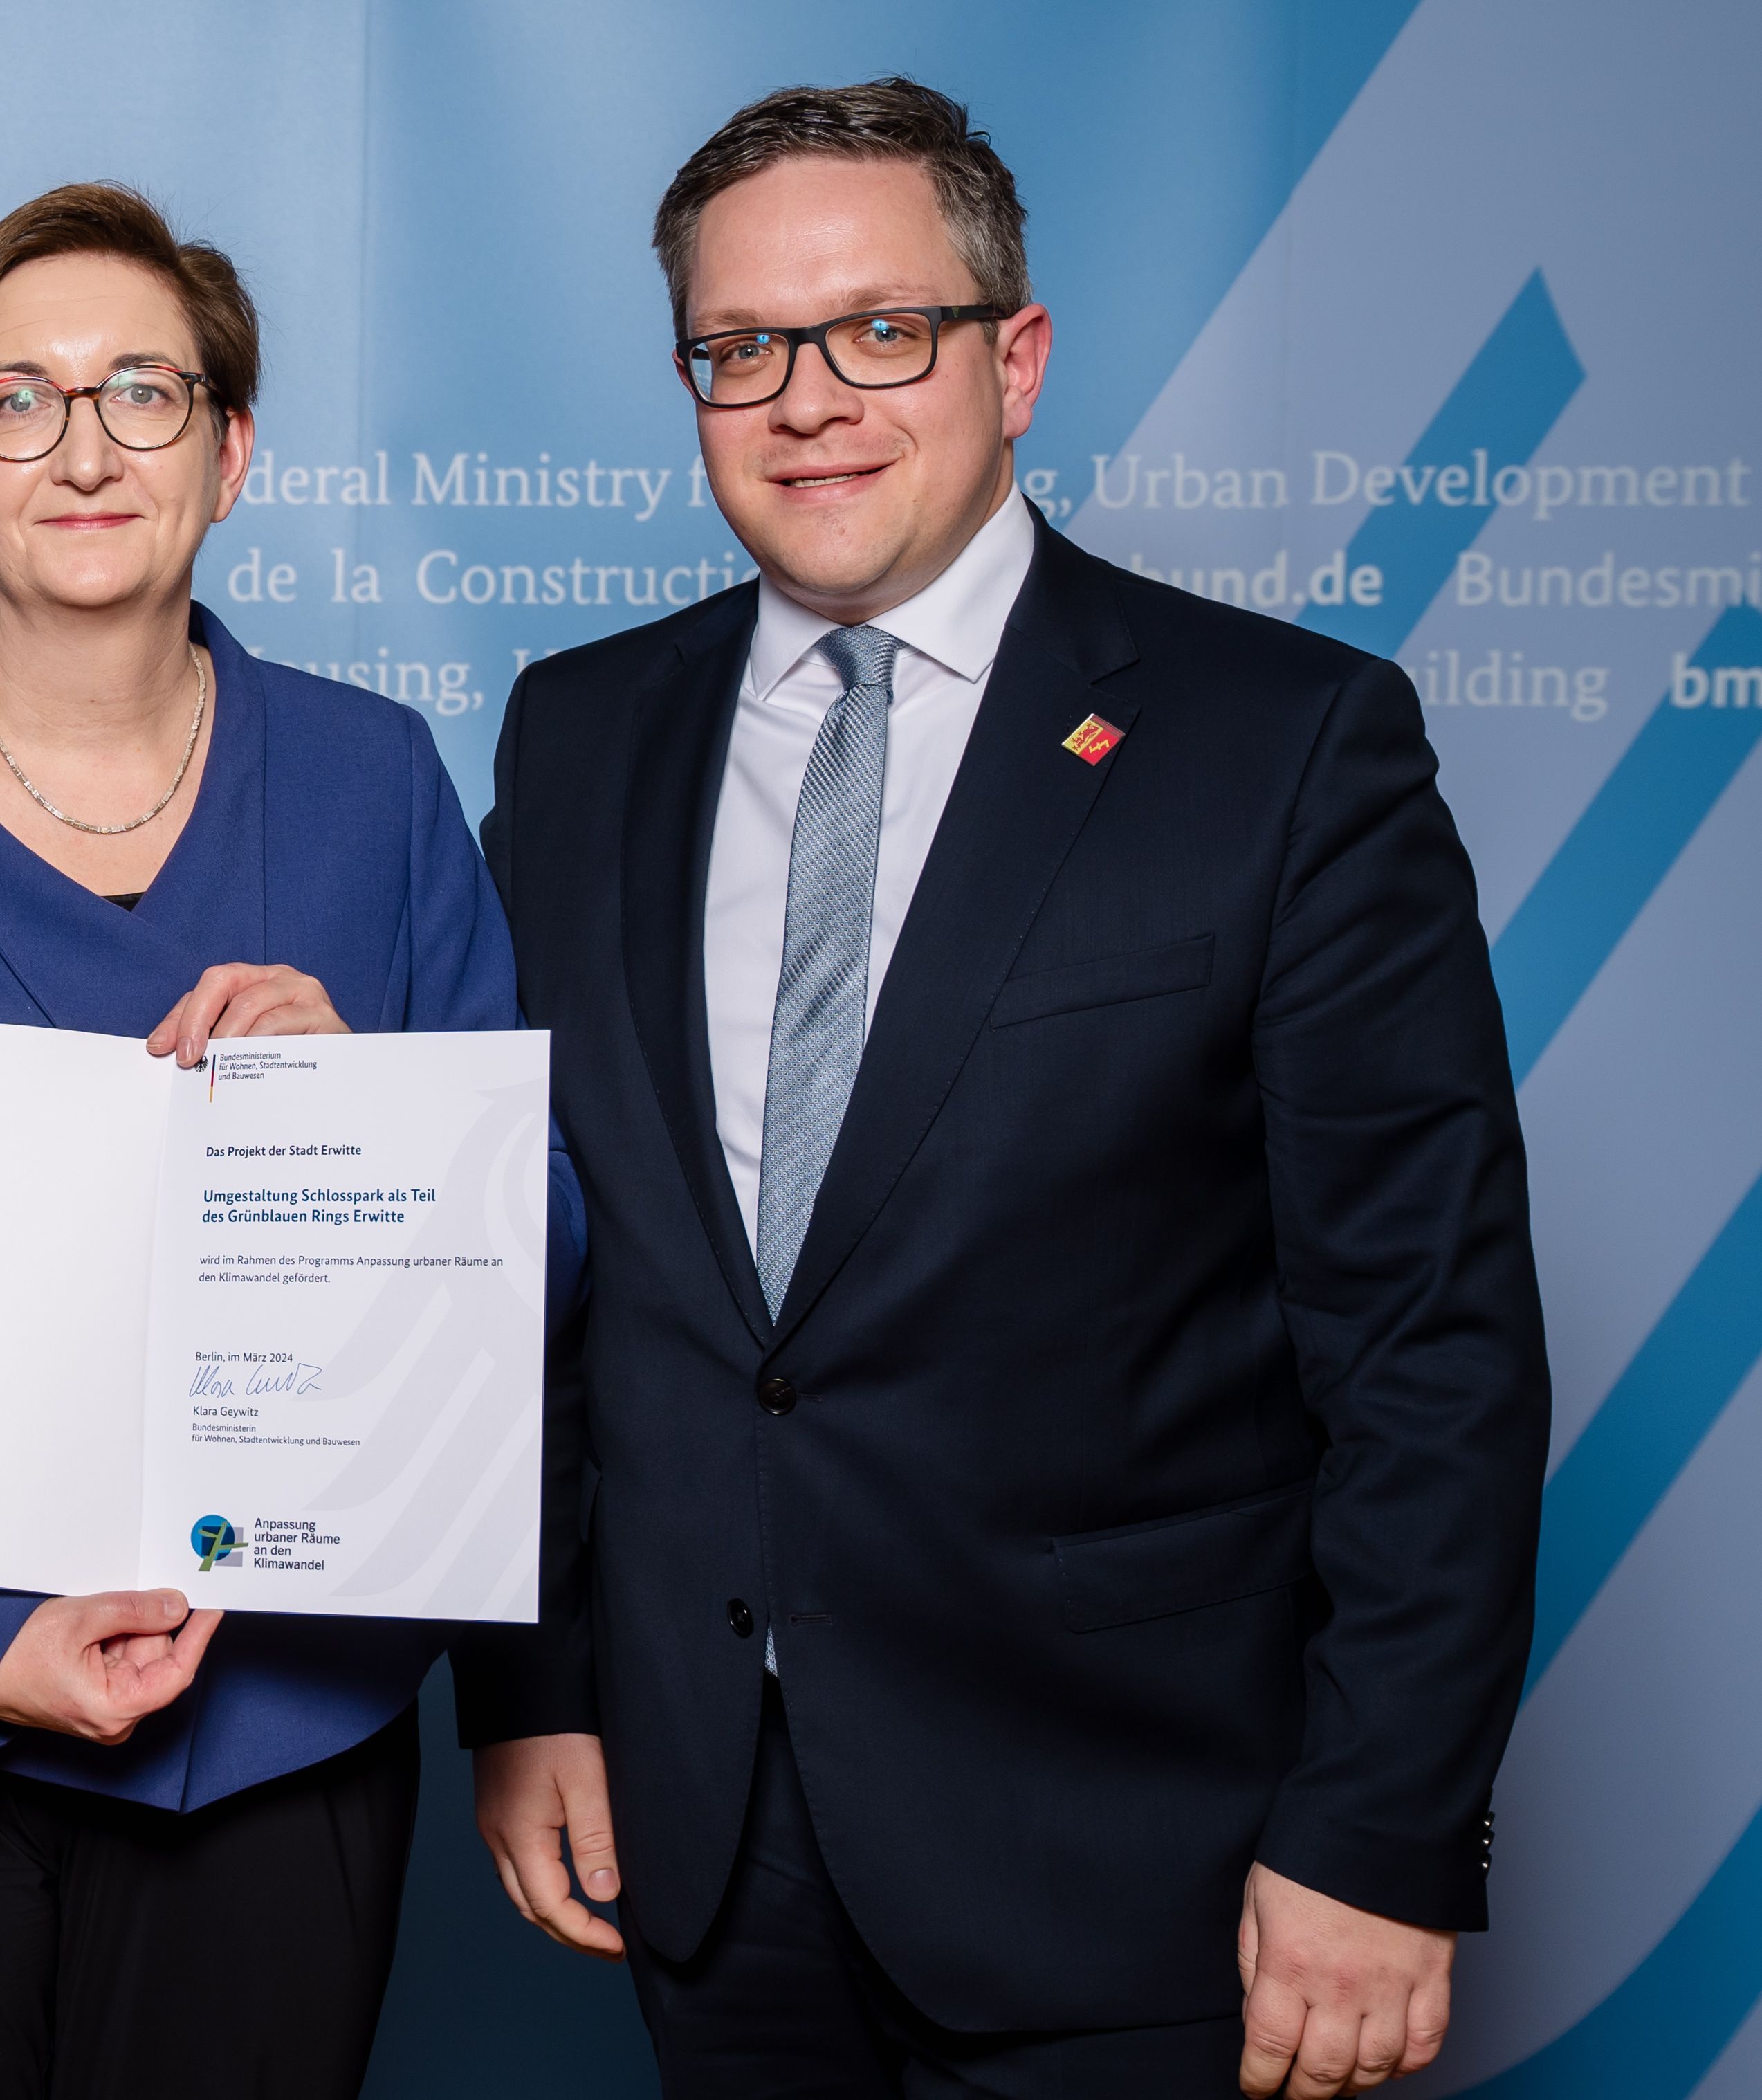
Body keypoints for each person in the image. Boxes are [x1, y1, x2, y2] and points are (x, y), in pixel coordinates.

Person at [466, 78, 1546, 2099]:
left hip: (1141, 1855)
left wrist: (1383, 1831)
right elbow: (542, 1267)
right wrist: (524, 1689)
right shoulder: (580, 735)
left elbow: (1429, 1347)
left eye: (880, 330)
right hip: (704, 1836)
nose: (807, 398)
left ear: (1014, 357)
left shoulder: (1285, 747)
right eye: (739, 350)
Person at [0, 182, 584, 2100]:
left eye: (142, 394)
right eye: (17, 401)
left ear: (229, 456)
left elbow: (528, 1253)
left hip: (278, 1714)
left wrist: (368, 1113)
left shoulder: (374, 778)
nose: (81, 448)